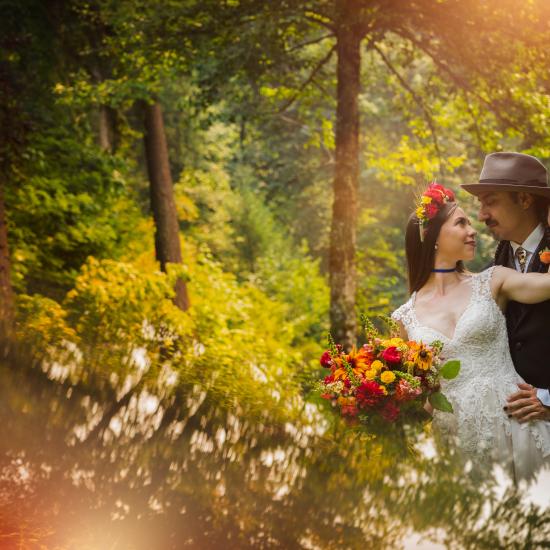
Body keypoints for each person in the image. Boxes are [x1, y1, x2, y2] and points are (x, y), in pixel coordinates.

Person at [391, 181, 550, 481]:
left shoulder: (494, 280)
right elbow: (417, 401)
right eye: (461, 222)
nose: (473, 229)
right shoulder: (402, 319)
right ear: (433, 238)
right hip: (454, 445)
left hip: (515, 428)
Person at [461, 152, 550, 423]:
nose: (482, 215)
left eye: (491, 202)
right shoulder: (489, 272)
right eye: (480, 204)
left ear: (524, 199)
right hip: (509, 432)